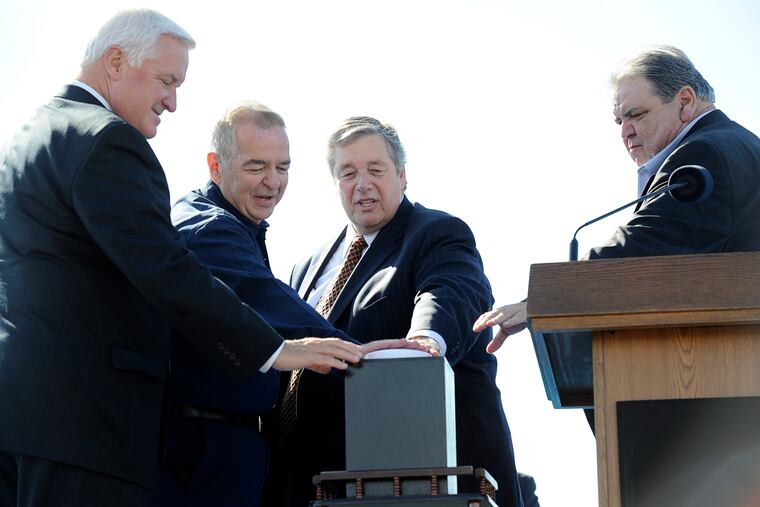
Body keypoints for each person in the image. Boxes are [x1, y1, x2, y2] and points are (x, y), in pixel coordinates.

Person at [0, 11, 368, 507]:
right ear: (115, 61)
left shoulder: (30, 135)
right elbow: (167, 271)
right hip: (86, 429)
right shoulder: (107, 140)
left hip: (25, 422)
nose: (172, 102)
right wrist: (277, 350)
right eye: (166, 81)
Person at [153, 103, 426, 507]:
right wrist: (358, 357)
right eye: (256, 166)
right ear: (216, 167)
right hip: (204, 452)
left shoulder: (239, 224)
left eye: (283, 167)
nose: (272, 181)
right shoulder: (208, 227)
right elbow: (263, 297)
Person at [264, 116, 530, 507]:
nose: (362, 184)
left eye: (376, 170)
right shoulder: (305, 269)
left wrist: (424, 341)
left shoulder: (437, 233)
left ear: (402, 176)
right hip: (317, 483)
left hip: (428, 480)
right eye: (348, 173)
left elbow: (448, 292)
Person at [474, 45, 760, 353]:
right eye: (619, 121)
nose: (626, 132)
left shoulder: (705, 153)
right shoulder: (737, 143)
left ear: (685, 101)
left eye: (636, 115)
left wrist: (546, 300)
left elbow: (646, 244)